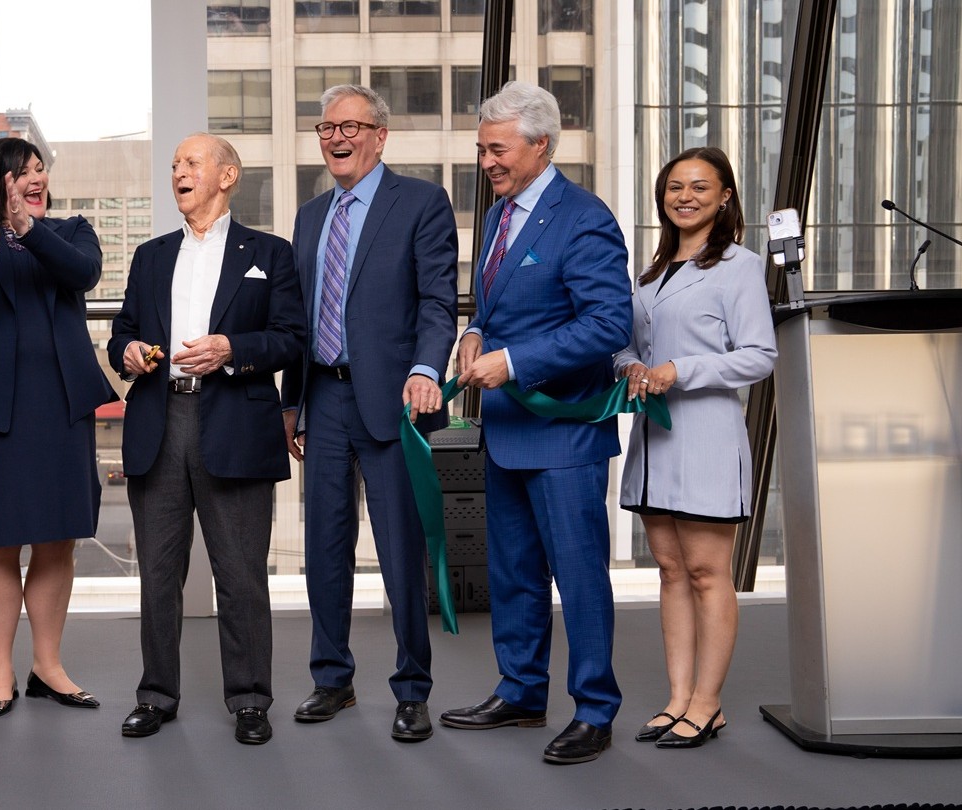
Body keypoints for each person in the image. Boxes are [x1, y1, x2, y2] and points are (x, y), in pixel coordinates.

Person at [441, 81, 632, 765]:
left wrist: (515, 361)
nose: (487, 161)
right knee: (513, 573)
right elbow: (495, 307)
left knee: (579, 579)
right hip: (504, 430)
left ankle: (595, 710)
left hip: (564, 436)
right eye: (482, 149)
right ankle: (521, 692)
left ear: (541, 144)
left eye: (498, 149)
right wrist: (474, 332)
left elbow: (609, 323)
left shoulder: (583, 217)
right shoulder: (498, 216)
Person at [108, 133, 307, 745]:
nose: (179, 172)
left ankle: (249, 699)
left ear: (227, 175)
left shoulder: (269, 253)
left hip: (236, 424)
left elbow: (292, 340)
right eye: (174, 165)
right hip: (159, 421)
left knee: (241, 574)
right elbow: (121, 334)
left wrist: (231, 349)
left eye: (191, 163)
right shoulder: (150, 255)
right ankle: (155, 695)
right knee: (158, 574)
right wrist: (130, 352)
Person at [280, 84, 459, 743]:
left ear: (380, 137)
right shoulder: (309, 216)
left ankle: (413, 689)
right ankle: (333, 679)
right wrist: (292, 403)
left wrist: (426, 369)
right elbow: (297, 319)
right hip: (323, 398)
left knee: (399, 552)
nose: (337, 138)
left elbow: (438, 301)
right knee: (323, 549)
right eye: (326, 128)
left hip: (393, 401)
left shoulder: (421, 203)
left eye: (350, 126)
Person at [0, 138, 117, 719]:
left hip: (61, 404)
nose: (36, 179)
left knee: (58, 537)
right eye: (22, 173)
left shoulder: (70, 231)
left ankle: (48, 665)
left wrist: (27, 228)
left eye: (40, 169)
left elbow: (84, 274)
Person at [615, 147, 776, 749]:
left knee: (709, 574)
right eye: (675, 187)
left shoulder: (740, 267)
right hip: (655, 438)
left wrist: (681, 370)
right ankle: (678, 697)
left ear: (725, 196)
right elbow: (627, 345)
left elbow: (759, 355)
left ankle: (708, 703)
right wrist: (631, 367)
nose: (685, 197)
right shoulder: (650, 273)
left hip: (706, 435)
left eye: (700, 187)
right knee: (671, 571)